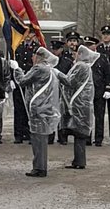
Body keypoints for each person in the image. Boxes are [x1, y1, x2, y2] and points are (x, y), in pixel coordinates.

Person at [11, 46, 61, 178]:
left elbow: (22, 81)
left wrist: (17, 69)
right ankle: (40, 166)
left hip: (38, 107)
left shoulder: (39, 68)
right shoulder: (49, 69)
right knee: (41, 139)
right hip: (45, 106)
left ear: (38, 56)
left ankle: (39, 168)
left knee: (38, 139)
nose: (32, 58)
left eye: (33, 56)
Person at [54, 45, 97, 170]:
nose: (74, 55)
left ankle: (79, 162)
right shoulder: (85, 66)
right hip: (82, 103)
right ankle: (78, 160)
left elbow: (70, 82)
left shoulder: (81, 66)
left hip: (78, 103)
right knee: (79, 133)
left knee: (79, 133)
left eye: (76, 53)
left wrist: (58, 73)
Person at [11, 25, 41, 144]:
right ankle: (18, 134)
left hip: (30, 82)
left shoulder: (37, 48)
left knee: (30, 108)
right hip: (19, 83)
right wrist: (12, 79)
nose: (27, 36)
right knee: (18, 109)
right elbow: (14, 64)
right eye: (26, 33)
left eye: (30, 33)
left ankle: (28, 132)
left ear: (33, 35)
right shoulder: (17, 47)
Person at [83, 36, 110, 147]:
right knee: (87, 116)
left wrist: (108, 88)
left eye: (90, 45)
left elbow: (108, 74)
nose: (88, 47)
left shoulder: (102, 57)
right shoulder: (82, 58)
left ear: (95, 45)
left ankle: (98, 138)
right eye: (86, 45)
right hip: (86, 91)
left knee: (99, 116)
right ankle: (87, 137)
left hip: (99, 90)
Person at [50, 37, 70, 145]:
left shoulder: (67, 62)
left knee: (62, 114)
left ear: (61, 49)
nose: (54, 51)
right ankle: (50, 135)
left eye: (56, 49)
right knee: (51, 113)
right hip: (51, 90)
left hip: (63, 90)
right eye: (53, 49)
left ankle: (63, 136)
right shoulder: (49, 61)